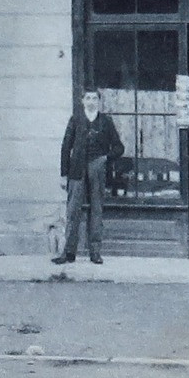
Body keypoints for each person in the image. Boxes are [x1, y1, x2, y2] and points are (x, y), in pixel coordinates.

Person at [53, 90, 124, 265]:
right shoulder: (75, 119)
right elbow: (65, 147)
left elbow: (119, 147)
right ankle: (68, 252)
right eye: (88, 98)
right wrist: (64, 174)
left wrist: (105, 158)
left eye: (94, 98)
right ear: (82, 101)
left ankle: (95, 252)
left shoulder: (106, 122)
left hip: (97, 170)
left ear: (99, 101)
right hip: (76, 170)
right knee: (72, 211)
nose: (91, 101)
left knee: (97, 210)